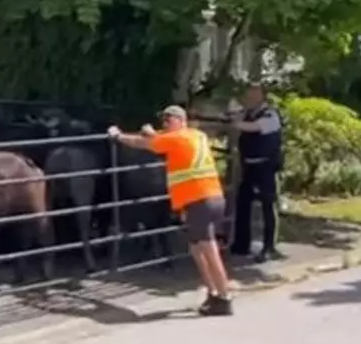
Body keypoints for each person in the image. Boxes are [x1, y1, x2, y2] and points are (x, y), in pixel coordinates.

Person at [108, 105, 234, 316]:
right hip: (211, 197)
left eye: (169, 120)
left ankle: (223, 296)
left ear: (179, 120)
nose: (165, 124)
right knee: (196, 247)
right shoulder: (196, 135)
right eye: (163, 121)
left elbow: (143, 143)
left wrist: (119, 136)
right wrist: (154, 133)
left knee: (209, 249)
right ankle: (213, 292)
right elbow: (162, 140)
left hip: (198, 199)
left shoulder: (175, 139)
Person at [229, 83, 285, 263]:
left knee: (268, 207)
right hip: (249, 167)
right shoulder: (247, 114)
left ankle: (269, 247)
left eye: (254, 94)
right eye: (248, 94)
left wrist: (236, 122)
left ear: (263, 96)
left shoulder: (271, 115)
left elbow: (255, 127)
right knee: (242, 203)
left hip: (266, 168)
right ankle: (241, 244)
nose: (250, 97)